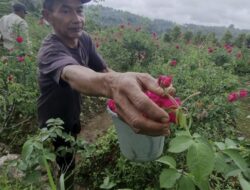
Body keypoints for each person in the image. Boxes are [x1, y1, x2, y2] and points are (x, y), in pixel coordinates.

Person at [38, 0, 170, 189]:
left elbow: (103, 70)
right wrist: (113, 85)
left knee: (71, 145)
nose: (77, 19)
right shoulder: (50, 51)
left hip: (72, 110)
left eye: (79, 10)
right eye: (66, 10)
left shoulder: (84, 39)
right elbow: (73, 74)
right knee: (65, 159)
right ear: (47, 16)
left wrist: (135, 86)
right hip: (53, 120)